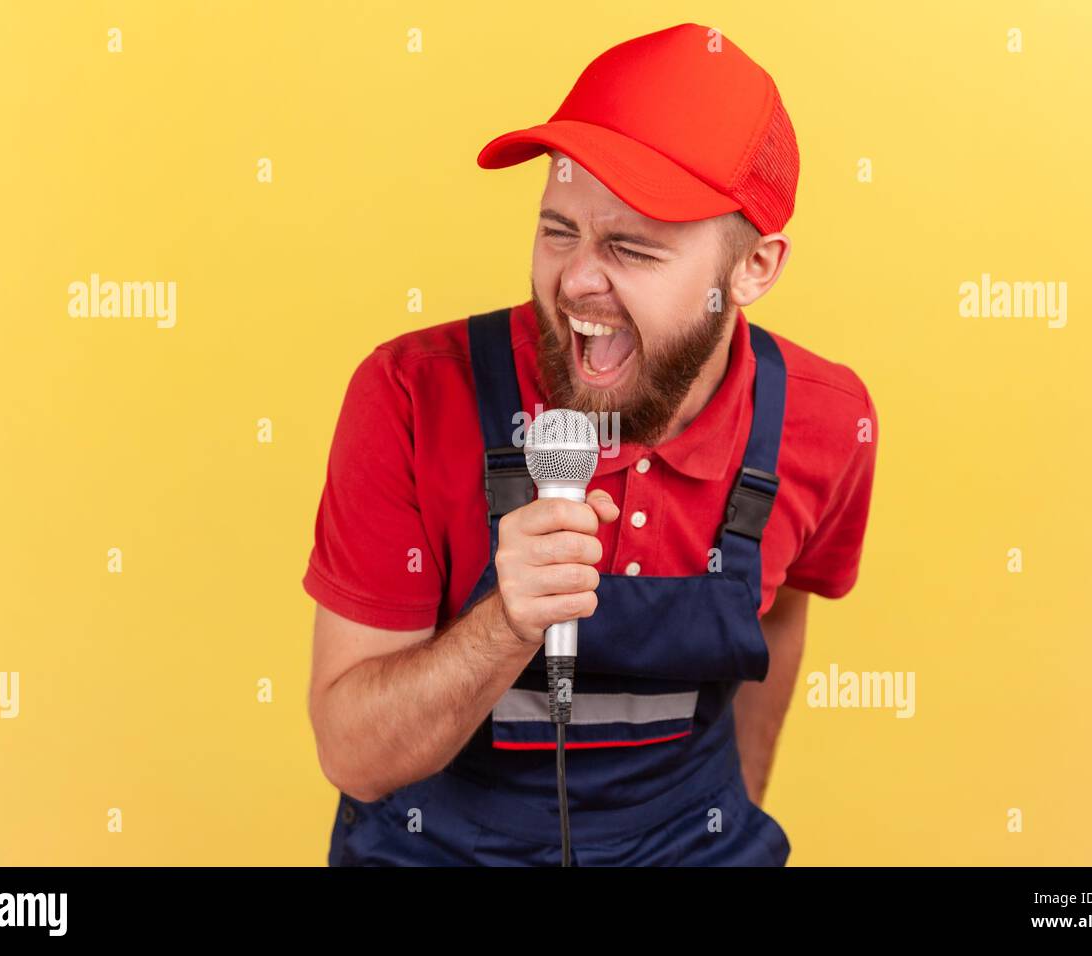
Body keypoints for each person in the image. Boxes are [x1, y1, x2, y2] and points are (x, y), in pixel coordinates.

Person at [303, 22, 878, 866]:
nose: (575, 280)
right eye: (558, 229)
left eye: (631, 247)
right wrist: (507, 622)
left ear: (753, 267)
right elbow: (352, 757)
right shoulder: (411, 394)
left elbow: (784, 611)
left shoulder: (824, 424)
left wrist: (732, 814)